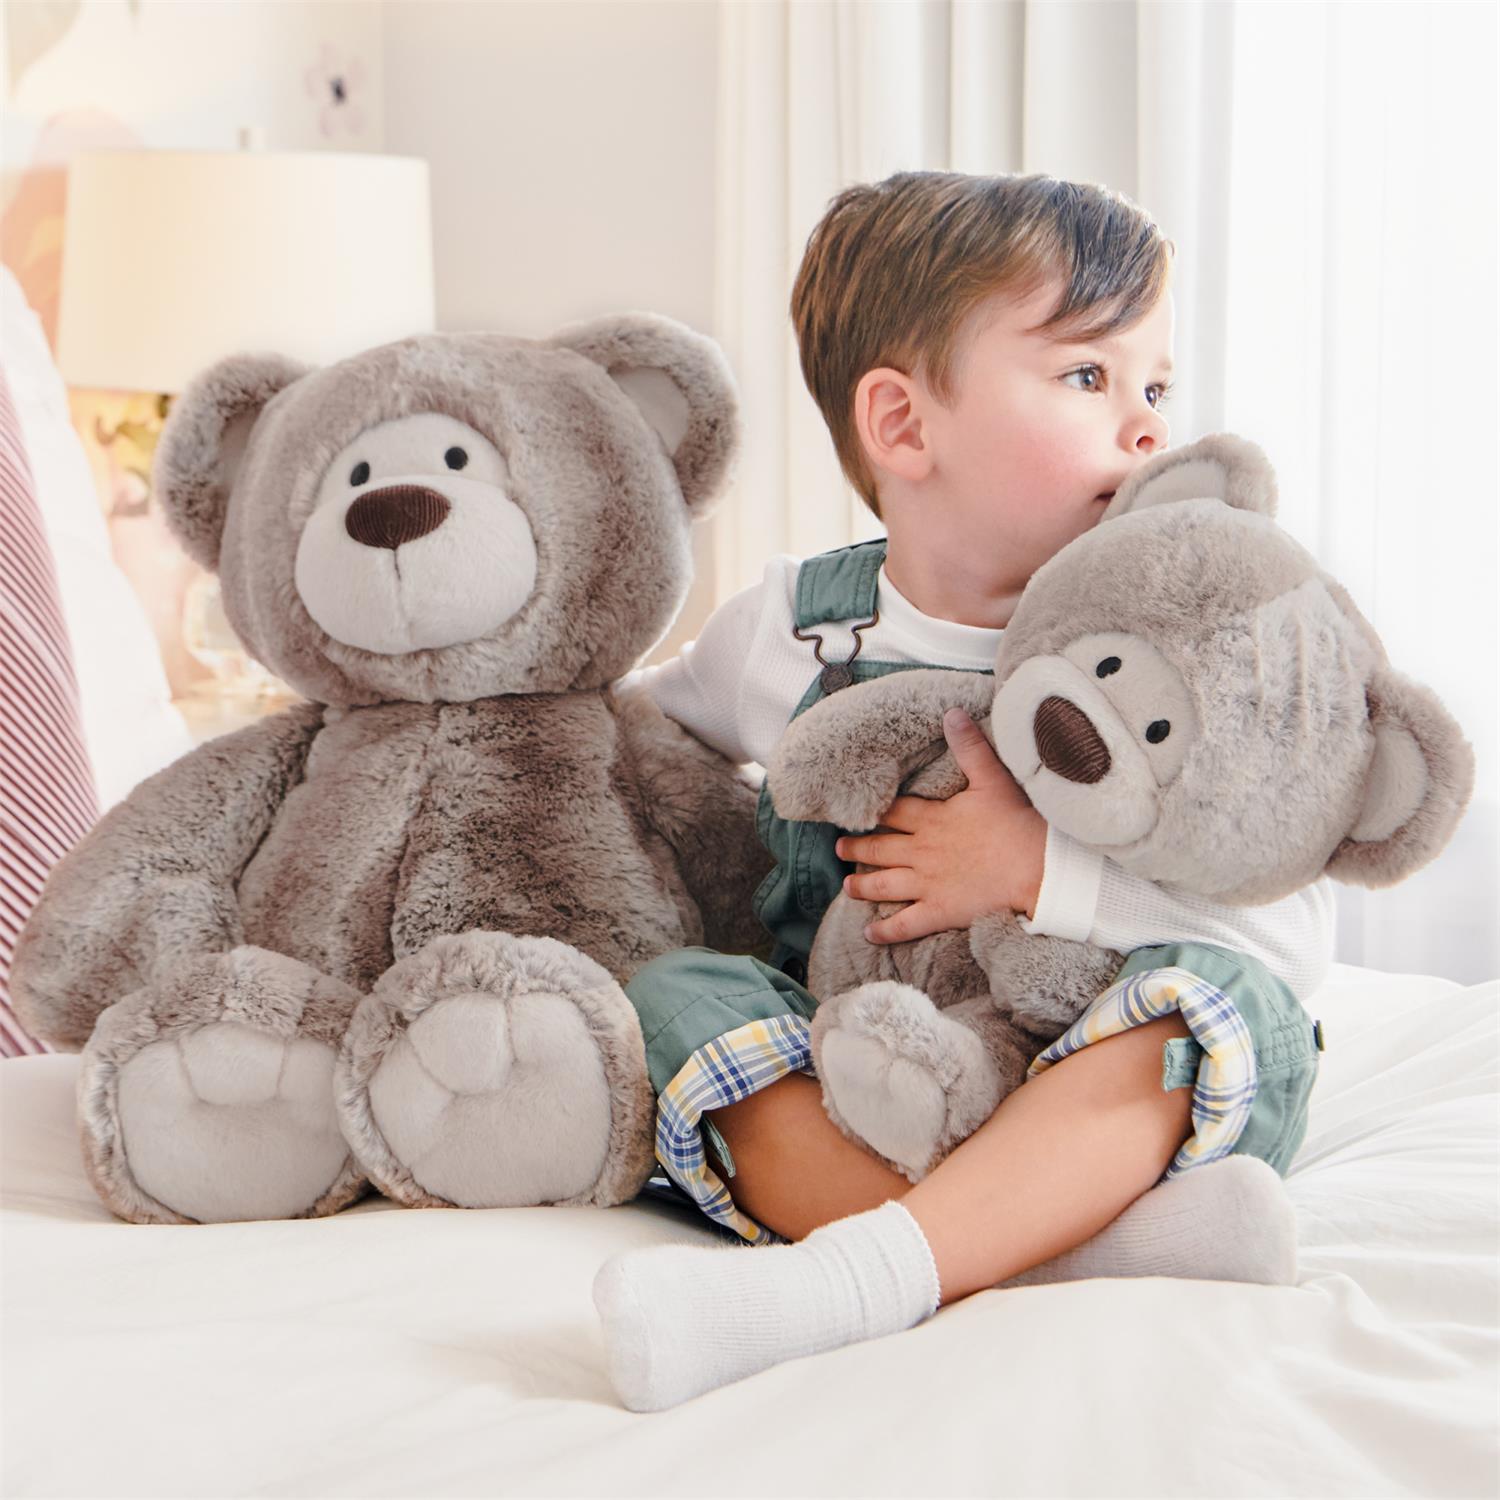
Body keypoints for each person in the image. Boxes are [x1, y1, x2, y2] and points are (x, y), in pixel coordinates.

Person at [591, 170, 1332, 1411]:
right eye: (1089, 378)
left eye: (1157, 385)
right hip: (876, 1080)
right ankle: (1061, 1256)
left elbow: (1298, 938)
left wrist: (1042, 875)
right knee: (672, 997)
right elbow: (631, 749)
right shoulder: (795, 629)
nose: (1149, 425)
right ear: (903, 426)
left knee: (1223, 1000)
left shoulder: (1195, 644)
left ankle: (849, 1280)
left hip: (1118, 1107)